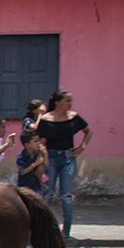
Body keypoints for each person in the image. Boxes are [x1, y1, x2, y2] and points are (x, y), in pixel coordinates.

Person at [36, 89, 92, 238]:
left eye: (70, 101)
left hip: (68, 157)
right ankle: (43, 226)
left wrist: (81, 148)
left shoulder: (73, 117)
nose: (70, 103)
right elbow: (41, 142)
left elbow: (88, 131)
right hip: (52, 157)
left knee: (66, 195)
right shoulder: (47, 119)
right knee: (47, 193)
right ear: (57, 102)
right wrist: (44, 158)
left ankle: (66, 229)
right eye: (67, 100)